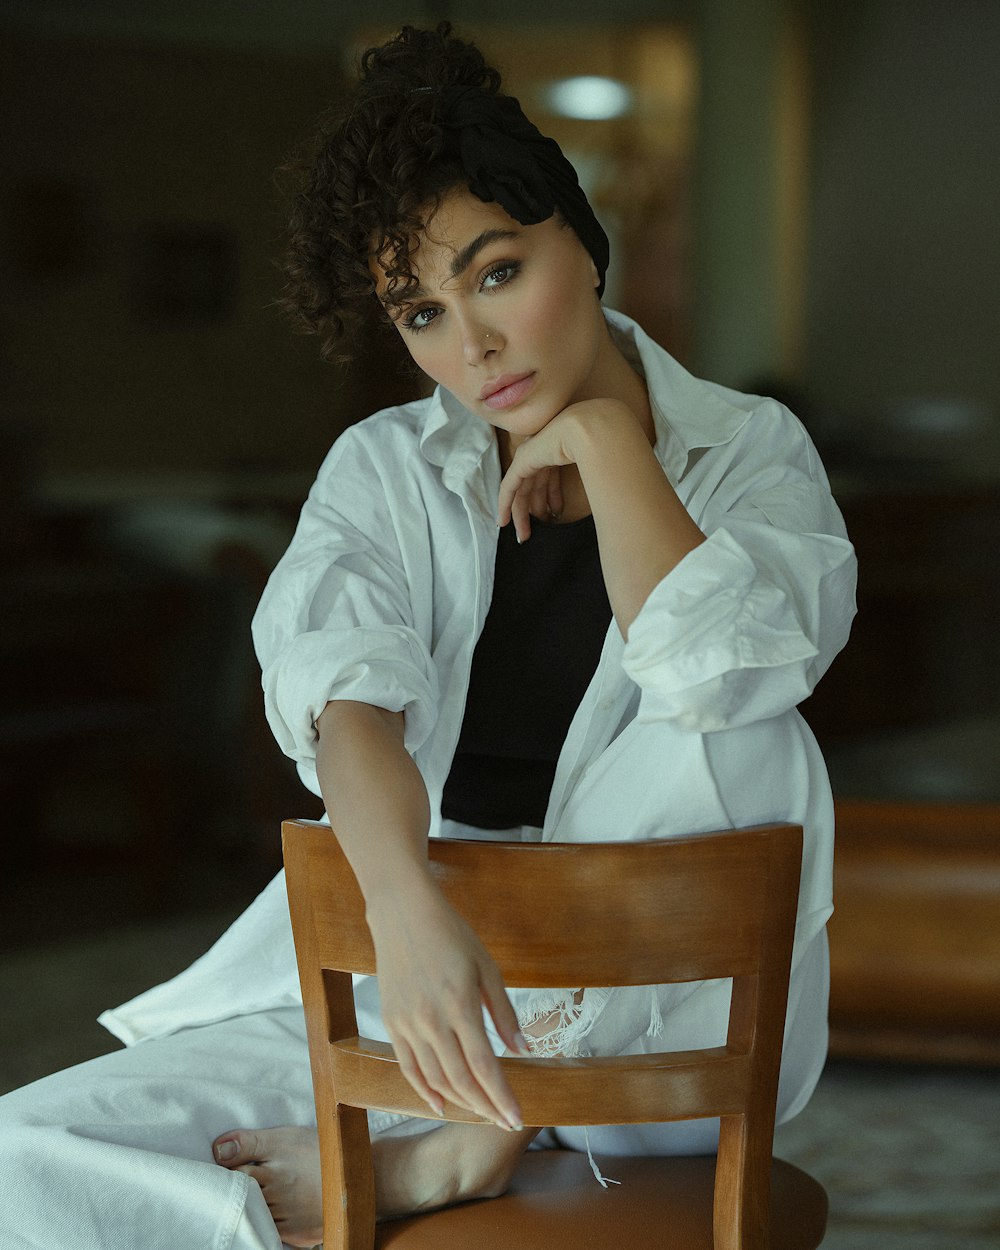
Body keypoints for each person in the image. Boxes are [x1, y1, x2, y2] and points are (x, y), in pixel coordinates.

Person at [0, 23, 856, 1250]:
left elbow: (728, 677)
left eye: (497, 271)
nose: (471, 345)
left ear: (586, 243)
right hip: (429, 958)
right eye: (420, 309)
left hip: (662, 1014)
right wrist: (404, 917)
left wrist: (614, 450)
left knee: (744, 726)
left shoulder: (752, 448)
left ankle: (463, 1145)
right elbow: (342, 695)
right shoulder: (385, 467)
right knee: (25, 1156)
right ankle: (369, 1155)